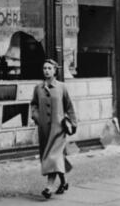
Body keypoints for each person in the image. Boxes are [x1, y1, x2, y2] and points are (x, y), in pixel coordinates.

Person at [31, 59, 77, 199]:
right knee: (54, 156)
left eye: (49, 68)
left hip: (58, 128)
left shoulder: (62, 87)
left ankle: (49, 187)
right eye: (44, 68)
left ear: (55, 70)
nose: (46, 70)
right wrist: (36, 117)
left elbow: (69, 106)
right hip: (44, 129)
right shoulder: (38, 88)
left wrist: (73, 123)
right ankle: (64, 182)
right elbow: (33, 105)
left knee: (52, 156)